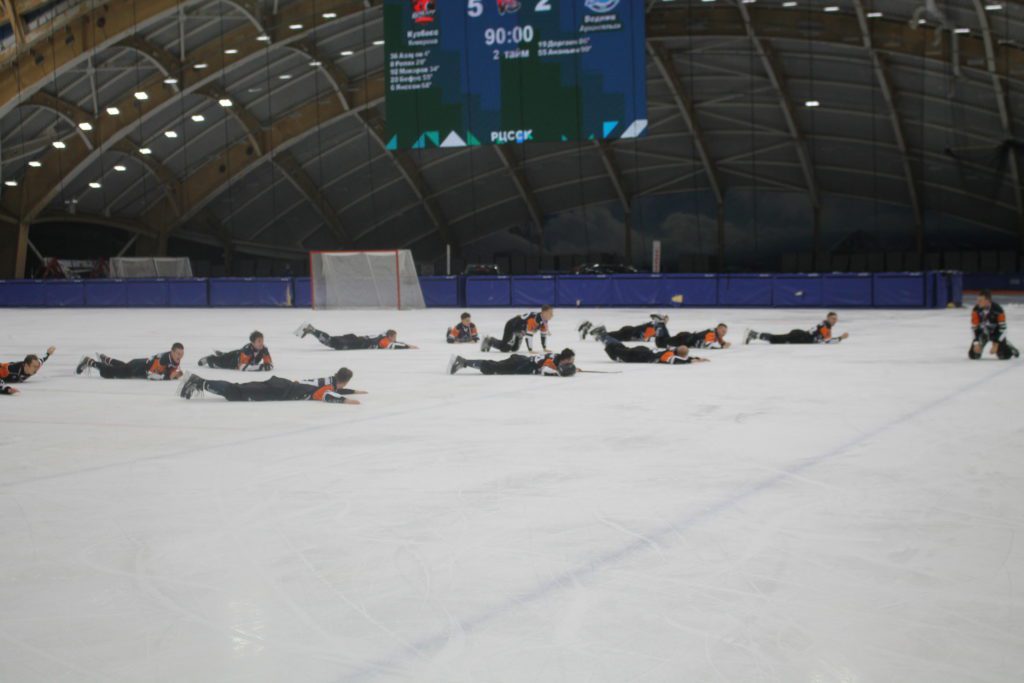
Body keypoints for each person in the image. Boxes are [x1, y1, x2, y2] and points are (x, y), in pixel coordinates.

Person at [178, 367, 365, 404]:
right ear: (343, 381)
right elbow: (329, 396)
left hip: (280, 385)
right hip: (278, 390)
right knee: (236, 393)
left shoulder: (328, 380)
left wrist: (355, 391)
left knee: (238, 389)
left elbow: (336, 389)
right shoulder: (327, 389)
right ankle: (198, 382)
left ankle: (199, 383)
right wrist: (349, 401)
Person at [76, 344, 185, 380]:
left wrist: (173, 374)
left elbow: (171, 369)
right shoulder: (163, 360)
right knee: (108, 373)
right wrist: (168, 377)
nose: (180, 357)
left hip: (138, 363)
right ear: (172, 352)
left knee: (123, 366)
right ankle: (89, 361)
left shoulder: (173, 359)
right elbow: (151, 375)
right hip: (135, 369)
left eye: (182, 354)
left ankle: (106, 359)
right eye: (178, 354)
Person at [448, 348, 576, 376]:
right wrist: (558, 372)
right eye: (571, 361)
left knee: (493, 364)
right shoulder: (552, 361)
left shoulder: (557, 358)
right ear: (565, 359)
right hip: (518, 365)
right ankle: (462, 362)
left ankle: (464, 362)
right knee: (492, 367)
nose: (571, 363)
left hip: (520, 360)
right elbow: (544, 370)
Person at [970, 289, 1019, 360]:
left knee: (1003, 356)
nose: (978, 302)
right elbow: (974, 328)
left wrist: (996, 343)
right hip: (983, 334)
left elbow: (1003, 329)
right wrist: (976, 343)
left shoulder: (998, 310)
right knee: (973, 355)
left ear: (987, 301)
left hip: (996, 334)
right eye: (978, 300)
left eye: (980, 300)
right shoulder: (976, 310)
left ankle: (1008, 346)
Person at [480, 306, 553, 353]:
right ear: (543, 312)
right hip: (512, 326)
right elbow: (529, 336)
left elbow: (543, 335)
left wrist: (545, 348)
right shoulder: (534, 319)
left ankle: (517, 335)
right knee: (505, 348)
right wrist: (530, 350)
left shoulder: (544, 321)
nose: (552, 315)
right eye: (550, 313)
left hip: (520, 329)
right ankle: (489, 340)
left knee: (514, 349)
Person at [744, 313, 849, 345]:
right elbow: (827, 341)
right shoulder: (825, 326)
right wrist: (841, 338)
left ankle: (754, 335)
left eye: (836, 319)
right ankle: (753, 334)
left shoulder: (826, 326)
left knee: (776, 338)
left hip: (801, 336)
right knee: (775, 339)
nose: (834, 321)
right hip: (800, 337)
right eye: (832, 318)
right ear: (828, 318)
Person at [295, 323, 417, 350]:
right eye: (394, 337)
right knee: (331, 342)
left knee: (331, 341)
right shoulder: (384, 341)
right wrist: (408, 346)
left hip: (355, 339)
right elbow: (393, 345)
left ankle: (313, 331)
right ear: (390, 336)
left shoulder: (382, 336)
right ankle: (312, 330)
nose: (395, 339)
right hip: (356, 343)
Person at [600, 336, 707, 364]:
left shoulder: (672, 350)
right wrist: (690, 360)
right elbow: (675, 360)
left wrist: (695, 358)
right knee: (616, 352)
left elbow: (680, 356)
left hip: (643, 351)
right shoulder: (669, 355)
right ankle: (603, 336)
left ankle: (604, 336)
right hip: (639, 355)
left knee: (620, 348)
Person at [198, 330, 273, 371]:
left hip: (238, 354)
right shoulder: (247, 350)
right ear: (253, 343)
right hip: (233, 361)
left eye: (262, 340)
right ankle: (209, 359)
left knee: (226, 355)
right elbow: (242, 367)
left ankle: (222, 354)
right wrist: (260, 367)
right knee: (218, 363)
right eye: (259, 341)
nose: (262, 343)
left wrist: (267, 365)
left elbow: (270, 364)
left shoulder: (264, 349)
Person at [578, 314, 668, 343]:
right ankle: (589, 327)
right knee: (605, 336)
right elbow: (645, 337)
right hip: (629, 333)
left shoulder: (652, 325)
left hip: (628, 330)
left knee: (607, 335)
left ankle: (589, 326)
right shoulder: (653, 326)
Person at [657, 323, 731, 349]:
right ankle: (660, 324)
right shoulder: (711, 333)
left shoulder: (716, 333)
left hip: (686, 339)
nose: (724, 333)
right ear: (718, 329)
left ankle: (662, 324)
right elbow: (708, 345)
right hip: (683, 340)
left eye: (725, 332)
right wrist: (722, 347)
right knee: (660, 343)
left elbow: (719, 340)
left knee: (665, 340)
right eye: (723, 331)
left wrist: (724, 343)